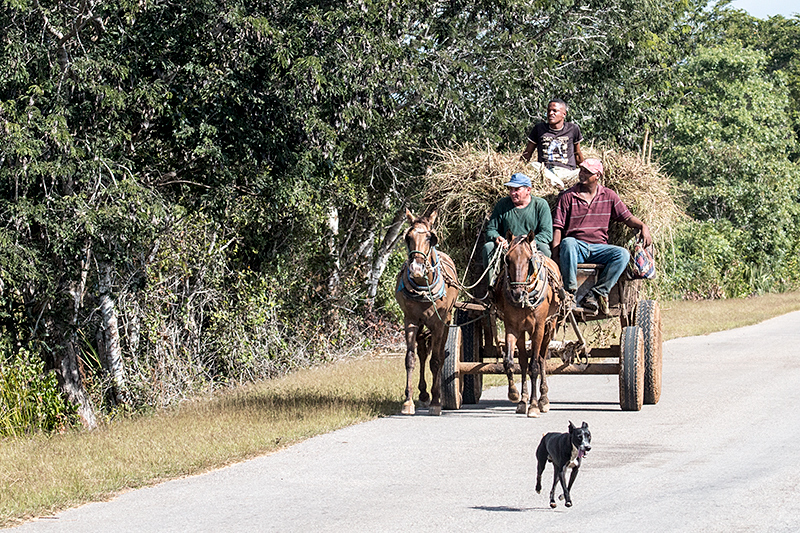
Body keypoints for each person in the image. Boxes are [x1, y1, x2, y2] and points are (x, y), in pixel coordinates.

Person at [551, 158, 652, 314]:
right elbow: (558, 227)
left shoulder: (609, 196)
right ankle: (570, 293)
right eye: (582, 170)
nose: (582, 174)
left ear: (597, 175)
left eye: (587, 172)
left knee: (622, 254)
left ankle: (597, 293)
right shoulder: (567, 197)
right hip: (577, 248)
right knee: (568, 242)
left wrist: (642, 226)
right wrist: (555, 256)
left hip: (600, 249)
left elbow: (627, 218)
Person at [482, 173, 553, 283]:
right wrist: (497, 238)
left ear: (528, 190)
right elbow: (491, 229)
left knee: (544, 249)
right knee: (489, 247)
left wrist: (528, 242)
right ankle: (493, 285)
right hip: (508, 247)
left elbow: (547, 234)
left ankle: (541, 284)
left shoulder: (540, 205)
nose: (512, 193)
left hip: (530, 247)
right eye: (510, 189)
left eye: (516, 189)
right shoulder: (503, 204)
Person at [520, 99, 585, 189]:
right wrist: (518, 170)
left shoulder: (573, 129)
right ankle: (559, 184)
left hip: (567, 172)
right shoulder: (539, 129)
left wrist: (585, 169)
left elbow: (577, 153)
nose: (550, 113)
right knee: (533, 165)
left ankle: (558, 183)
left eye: (555, 111)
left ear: (564, 114)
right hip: (547, 171)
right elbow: (528, 152)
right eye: (549, 111)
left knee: (583, 173)